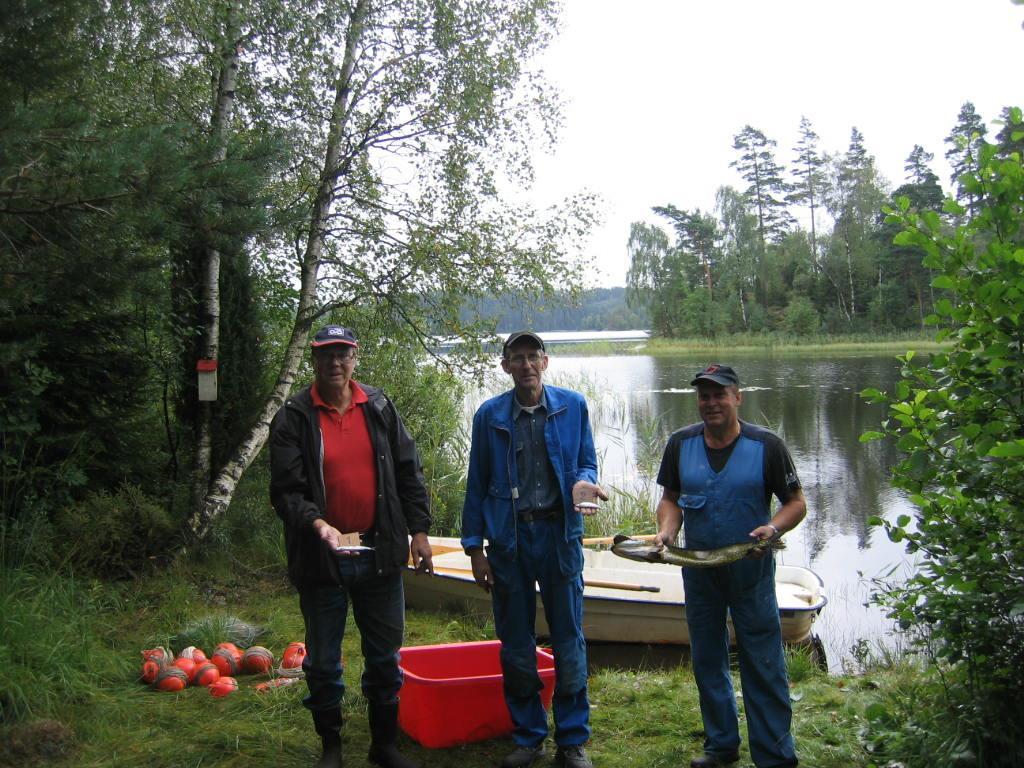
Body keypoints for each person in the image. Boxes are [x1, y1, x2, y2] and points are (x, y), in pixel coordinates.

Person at [269, 325, 433, 768]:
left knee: (384, 657)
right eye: (325, 355)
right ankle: (332, 749)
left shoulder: (378, 406)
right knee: (323, 662)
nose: (334, 363)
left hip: (379, 554)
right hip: (321, 558)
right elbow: (286, 491)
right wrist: (317, 523)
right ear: (314, 361)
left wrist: (418, 531)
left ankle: (384, 746)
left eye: (342, 354)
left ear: (355, 357)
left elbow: (408, 471)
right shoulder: (294, 416)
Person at [461, 331, 607, 768]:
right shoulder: (489, 416)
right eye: (517, 358)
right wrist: (474, 548)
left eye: (532, 357)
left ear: (545, 362)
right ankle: (528, 738)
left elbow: (586, 461)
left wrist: (582, 482)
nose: (525, 365)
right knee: (516, 643)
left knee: (569, 640)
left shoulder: (572, 406)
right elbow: (477, 483)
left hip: (559, 537)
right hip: (509, 541)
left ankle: (572, 740)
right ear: (505, 366)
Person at [654, 364, 806, 768]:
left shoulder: (766, 446)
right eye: (704, 395)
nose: (711, 402)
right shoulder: (679, 444)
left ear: (737, 397)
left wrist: (772, 529)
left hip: (749, 570)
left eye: (719, 394)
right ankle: (721, 746)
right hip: (700, 570)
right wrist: (667, 533)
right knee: (707, 659)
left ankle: (774, 754)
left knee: (764, 660)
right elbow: (670, 499)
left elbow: (796, 503)